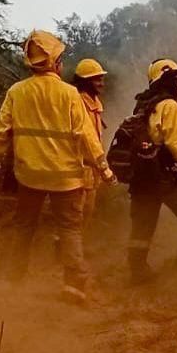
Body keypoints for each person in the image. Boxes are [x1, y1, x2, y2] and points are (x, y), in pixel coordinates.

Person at [0, 30, 115, 303]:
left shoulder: (16, 92)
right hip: (66, 180)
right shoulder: (70, 95)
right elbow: (86, 137)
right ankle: (73, 285)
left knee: (24, 228)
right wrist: (104, 170)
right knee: (70, 229)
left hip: (29, 176)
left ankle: (14, 280)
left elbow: (0, 131)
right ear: (55, 63)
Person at [113, 58, 177, 282]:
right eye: (175, 78)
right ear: (167, 80)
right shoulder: (169, 105)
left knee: (143, 224)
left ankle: (137, 270)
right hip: (164, 174)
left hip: (141, 175)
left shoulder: (144, 103)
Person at [72, 58, 109, 235]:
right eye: (97, 80)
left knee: (87, 211)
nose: (101, 84)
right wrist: (104, 167)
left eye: (101, 79)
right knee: (75, 214)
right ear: (86, 82)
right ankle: (64, 253)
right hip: (78, 167)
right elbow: (87, 137)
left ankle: (74, 250)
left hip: (91, 168)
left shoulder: (94, 103)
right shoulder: (77, 102)